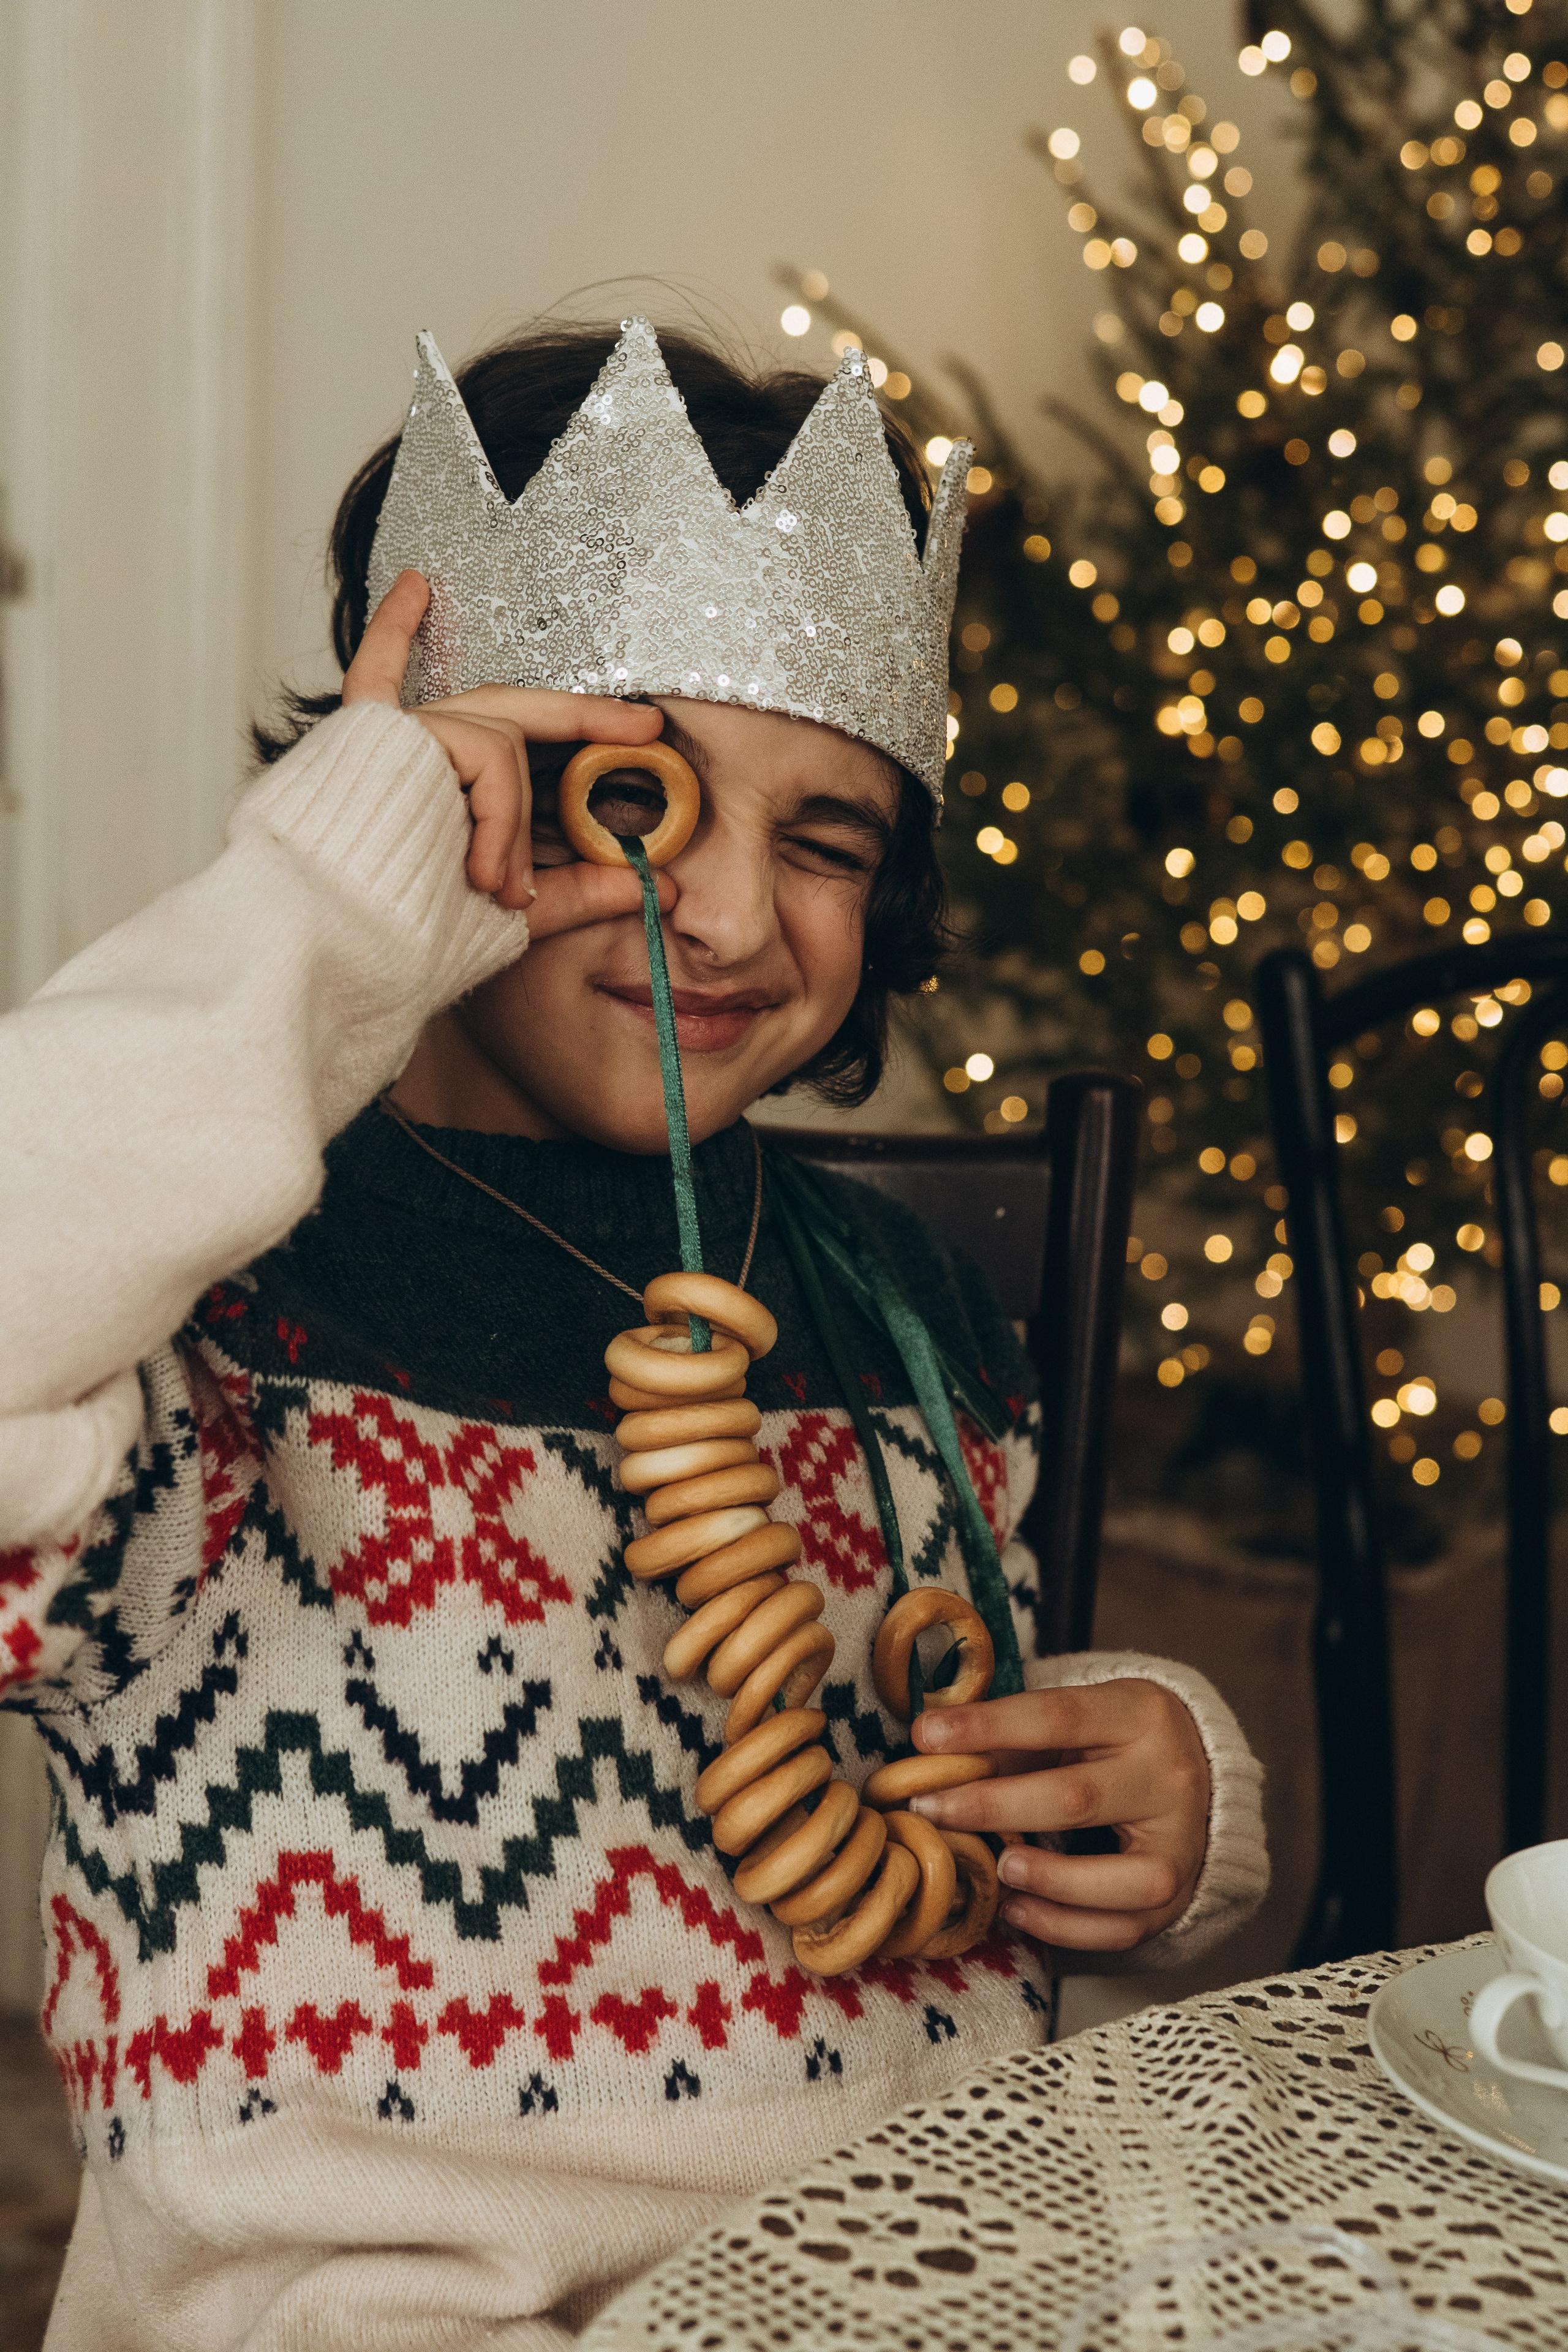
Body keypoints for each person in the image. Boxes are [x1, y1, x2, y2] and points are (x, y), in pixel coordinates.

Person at [0, 317, 1267, 2352]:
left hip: (921, 2279)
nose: (738, 919)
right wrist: (324, 907)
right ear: (437, 794)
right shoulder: (206, 1298)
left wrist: (1156, 1767)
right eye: (634, 798)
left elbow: (944, 1721)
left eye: (828, 843)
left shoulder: (901, 1304)